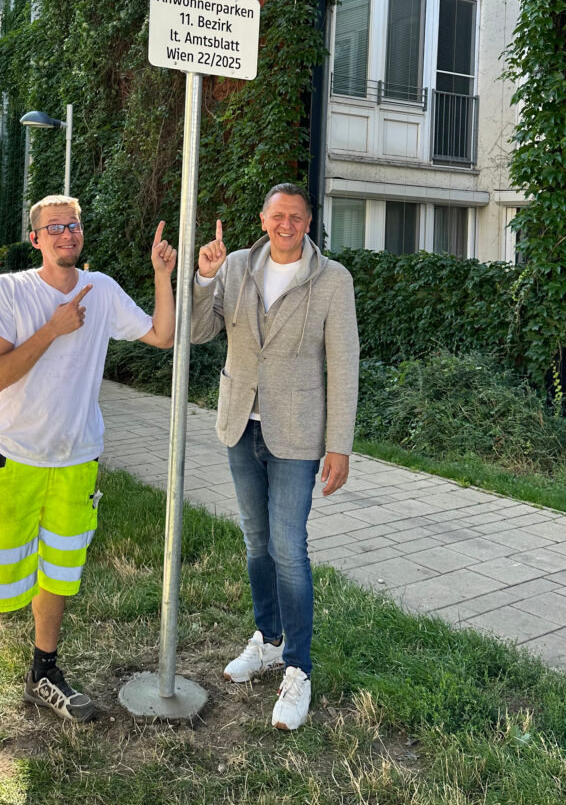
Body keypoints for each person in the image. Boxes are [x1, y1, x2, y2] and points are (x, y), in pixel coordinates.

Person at [0, 194, 176, 772]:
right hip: (17, 459)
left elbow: (164, 337)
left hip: (77, 461)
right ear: (36, 240)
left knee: (59, 574)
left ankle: (43, 671)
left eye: (73, 225)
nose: (67, 234)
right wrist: (52, 328)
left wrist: (162, 275)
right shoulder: (11, 291)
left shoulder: (100, 289)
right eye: (55, 227)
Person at [191, 182, 358, 732]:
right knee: (255, 541)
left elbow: (344, 367)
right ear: (262, 219)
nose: (286, 223)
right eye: (277, 215)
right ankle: (268, 638)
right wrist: (204, 278)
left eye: (297, 216)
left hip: (298, 434)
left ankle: (298, 669)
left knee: (289, 548)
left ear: (309, 223)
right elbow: (196, 331)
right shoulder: (236, 266)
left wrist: (340, 444)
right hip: (242, 423)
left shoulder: (332, 281)